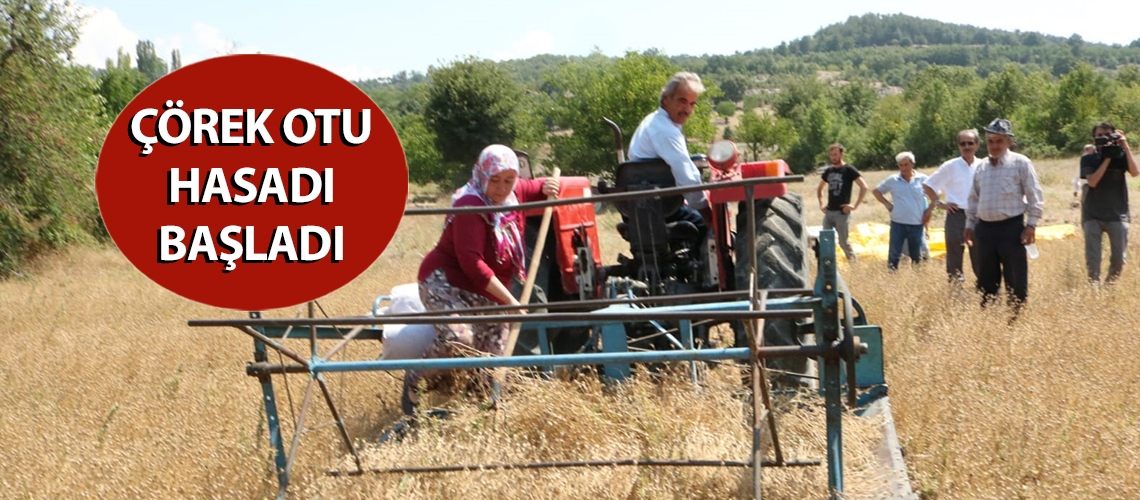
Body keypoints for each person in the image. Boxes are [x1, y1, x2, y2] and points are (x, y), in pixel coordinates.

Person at [402, 145, 560, 418]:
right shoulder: (470, 205)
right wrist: (511, 300)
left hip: (488, 288)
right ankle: (415, 379)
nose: (501, 188)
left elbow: (534, 186)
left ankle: (491, 411)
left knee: (496, 358)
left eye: (508, 180)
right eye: (494, 180)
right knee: (459, 338)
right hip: (446, 281)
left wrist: (551, 185)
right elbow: (472, 265)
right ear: (482, 175)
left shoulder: (514, 193)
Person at [963, 119, 1044, 310]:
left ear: (1009, 141)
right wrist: (969, 225)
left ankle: (1016, 318)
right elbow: (973, 198)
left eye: (999, 141)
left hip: (1011, 229)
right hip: (984, 230)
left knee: (1015, 278)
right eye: (991, 141)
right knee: (986, 280)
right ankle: (989, 320)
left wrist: (1031, 225)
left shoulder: (1020, 163)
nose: (994, 146)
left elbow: (1034, 195)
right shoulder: (981, 167)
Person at [627, 71, 709, 247]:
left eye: (692, 104)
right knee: (709, 229)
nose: (687, 110)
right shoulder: (666, 131)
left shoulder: (651, 122)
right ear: (666, 99)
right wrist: (708, 214)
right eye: (682, 101)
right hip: (661, 210)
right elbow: (687, 178)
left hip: (638, 209)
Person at [1080, 122, 1138, 283]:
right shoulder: (1089, 158)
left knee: (1119, 259)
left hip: (1118, 214)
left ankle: (1108, 287)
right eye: (1099, 135)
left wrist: (1124, 145)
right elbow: (1092, 182)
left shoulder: (1121, 156)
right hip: (1093, 214)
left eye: (1107, 135)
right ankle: (1094, 291)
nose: (1103, 138)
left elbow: (1135, 172)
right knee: (1093, 259)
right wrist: (1106, 159)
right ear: (1094, 138)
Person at [924, 129, 985, 282]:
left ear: (977, 145)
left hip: (979, 216)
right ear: (958, 146)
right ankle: (956, 291)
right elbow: (928, 185)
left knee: (981, 254)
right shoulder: (950, 166)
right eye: (962, 143)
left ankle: (986, 288)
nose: (967, 146)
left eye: (970, 143)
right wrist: (939, 203)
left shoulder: (984, 165)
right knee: (954, 255)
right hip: (956, 215)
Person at [874, 152, 933, 270]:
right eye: (900, 165)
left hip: (916, 223)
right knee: (894, 254)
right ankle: (892, 277)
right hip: (898, 223)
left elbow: (936, 194)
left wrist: (929, 210)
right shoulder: (893, 180)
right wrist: (887, 204)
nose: (903, 168)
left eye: (906, 165)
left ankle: (918, 279)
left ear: (913, 164)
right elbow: (876, 191)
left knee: (916, 255)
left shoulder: (923, 179)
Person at [816, 143, 868, 261]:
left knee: (843, 242)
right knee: (826, 241)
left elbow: (864, 187)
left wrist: (854, 206)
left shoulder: (849, 170)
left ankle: (854, 263)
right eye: (831, 155)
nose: (833, 157)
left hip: (842, 213)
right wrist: (821, 204)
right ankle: (829, 266)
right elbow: (820, 189)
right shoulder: (828, 171)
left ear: (842, 154)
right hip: (829, 212)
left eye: (835, 154)